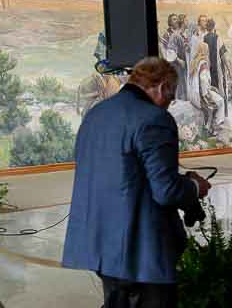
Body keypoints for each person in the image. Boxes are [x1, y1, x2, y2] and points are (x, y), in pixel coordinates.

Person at [62, 57, 214, 308]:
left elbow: (124, 174)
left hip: (102, 245)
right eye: (171, 96)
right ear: (163, 86)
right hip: (142, 250)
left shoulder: (95, 115)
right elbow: (165, 191)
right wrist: (195, 187)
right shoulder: (154, 118)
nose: (168, 104)